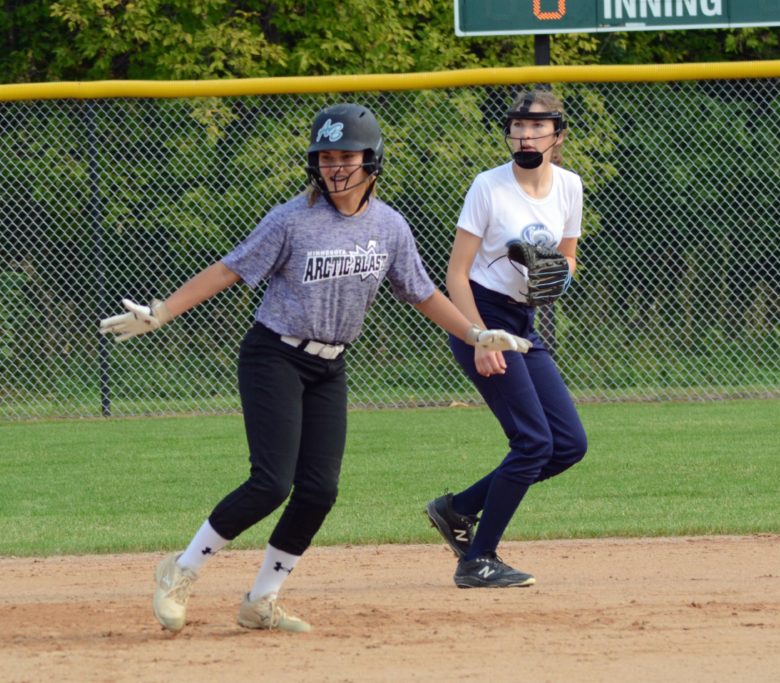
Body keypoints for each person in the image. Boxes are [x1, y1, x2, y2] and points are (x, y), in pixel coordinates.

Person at [100, 103, 529, 633]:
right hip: (274, 355)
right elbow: (230, 269)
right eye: (326, 157)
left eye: (346, 156)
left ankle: (261, 600)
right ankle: (181, 570)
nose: (335, 167)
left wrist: (474, 333)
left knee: (320, 491)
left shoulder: (389, 226)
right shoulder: (291, 220)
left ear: (372, 160)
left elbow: (421, 292)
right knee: (270, 483)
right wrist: (163, 311)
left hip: (330, 366)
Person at [425, 89, 588, 589]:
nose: (526, 135)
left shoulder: (569, 186)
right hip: (480, 314)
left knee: (567, 445)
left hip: (522, 323)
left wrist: (559, 275)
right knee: (533, 442)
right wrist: (480, 338)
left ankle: (458, 509)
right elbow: (455, 274)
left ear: (558, 135)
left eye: (537, 126)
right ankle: (478, 559)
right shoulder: (489, 187)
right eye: (518, 126)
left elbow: (568, 258)